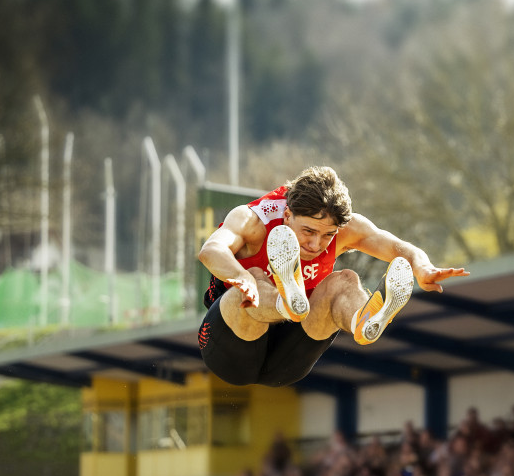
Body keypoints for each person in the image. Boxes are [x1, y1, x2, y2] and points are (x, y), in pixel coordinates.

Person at [195, 166, 468, 387]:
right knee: (256, 276)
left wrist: (422, 267)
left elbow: (398, 247)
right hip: (232, 349)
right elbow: (211, 250)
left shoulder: (346, 228)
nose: (316, 245)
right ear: (287, 215)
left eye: (328, 235)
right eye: (308, 232)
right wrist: (239, 276)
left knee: (344, 279)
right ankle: (284, 301)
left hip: (289, 360)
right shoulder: (252, 221)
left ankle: (364, 321)